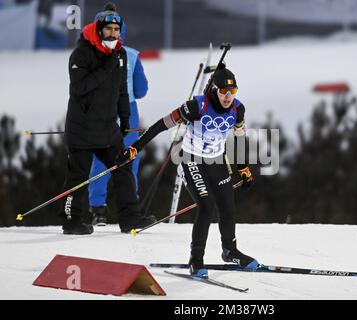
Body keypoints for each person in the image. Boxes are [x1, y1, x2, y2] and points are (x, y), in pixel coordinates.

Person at [116, 64, 259, 277]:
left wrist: (243, 168)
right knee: (206, 207)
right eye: (223, 92)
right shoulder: (195, 107)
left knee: (227, 206)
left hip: (217, 161)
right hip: (191, 160)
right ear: (214, 90)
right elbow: (161, 125)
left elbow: (238, 139)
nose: (228, 97)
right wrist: (135, 148)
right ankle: (196, 260)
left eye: (233, 92)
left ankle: (230, 251)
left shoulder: (238, 109)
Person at [60, 5, 152, 235]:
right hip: (82, 127)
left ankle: (131, 218)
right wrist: (106, 68)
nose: (113, 34)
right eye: (109, 29)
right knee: (78, 177)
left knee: (123, 166)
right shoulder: (81, 53)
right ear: (99, 29)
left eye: (116, 29)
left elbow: (121, 90)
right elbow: (79, 88)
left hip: (108, 128)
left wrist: (124, 120)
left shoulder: (119, 54)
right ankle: (72, 221)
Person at [88, 3, 151, 226]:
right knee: (129, 159)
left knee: (100, 160)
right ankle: (130, 211)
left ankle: (97, 209)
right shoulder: (131, 55)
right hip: (129, 113)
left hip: (98, 112)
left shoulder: (88, 53)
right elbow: (142, 90)